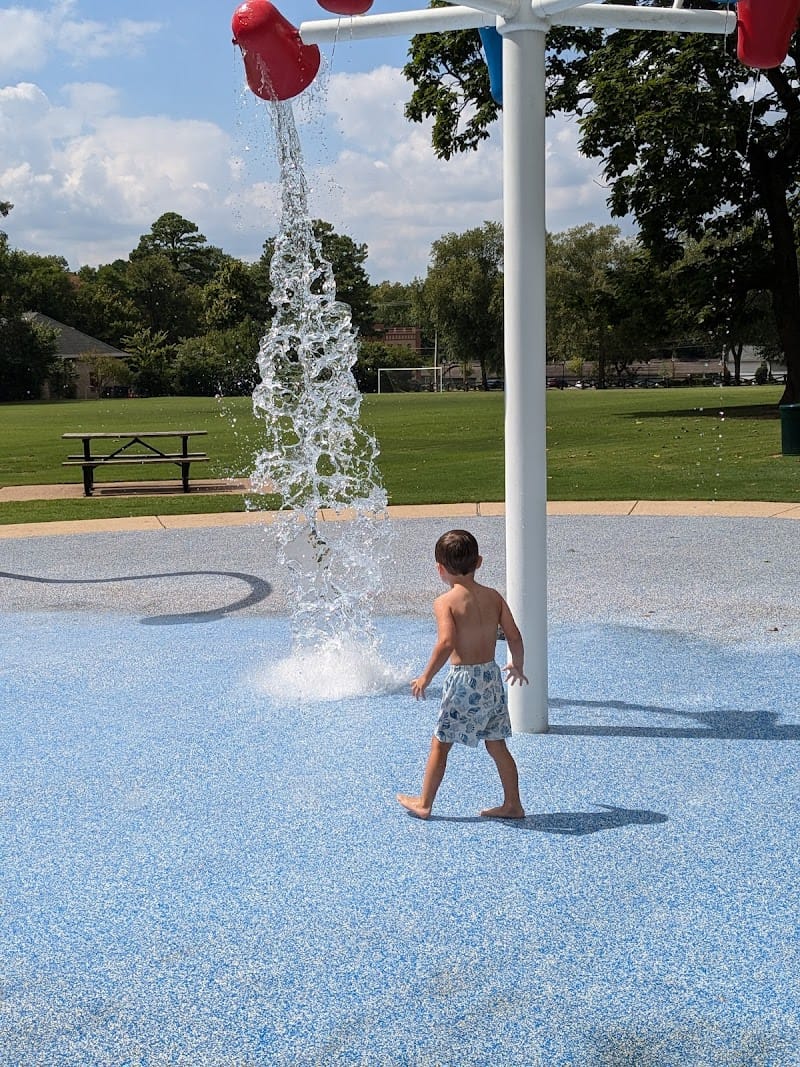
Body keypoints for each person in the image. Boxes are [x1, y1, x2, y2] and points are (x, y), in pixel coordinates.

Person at [397, 529, 528, 820]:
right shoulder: (494, 597)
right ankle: (513, 804)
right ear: (479, 562)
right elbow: (515, 636)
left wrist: (425, 677)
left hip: (463, 682)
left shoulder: (445, 602)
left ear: (439, 569)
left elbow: (446, 643)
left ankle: (424, 803)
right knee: (496, 743)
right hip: (490, 677)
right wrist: (517, 665)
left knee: (441, 743)